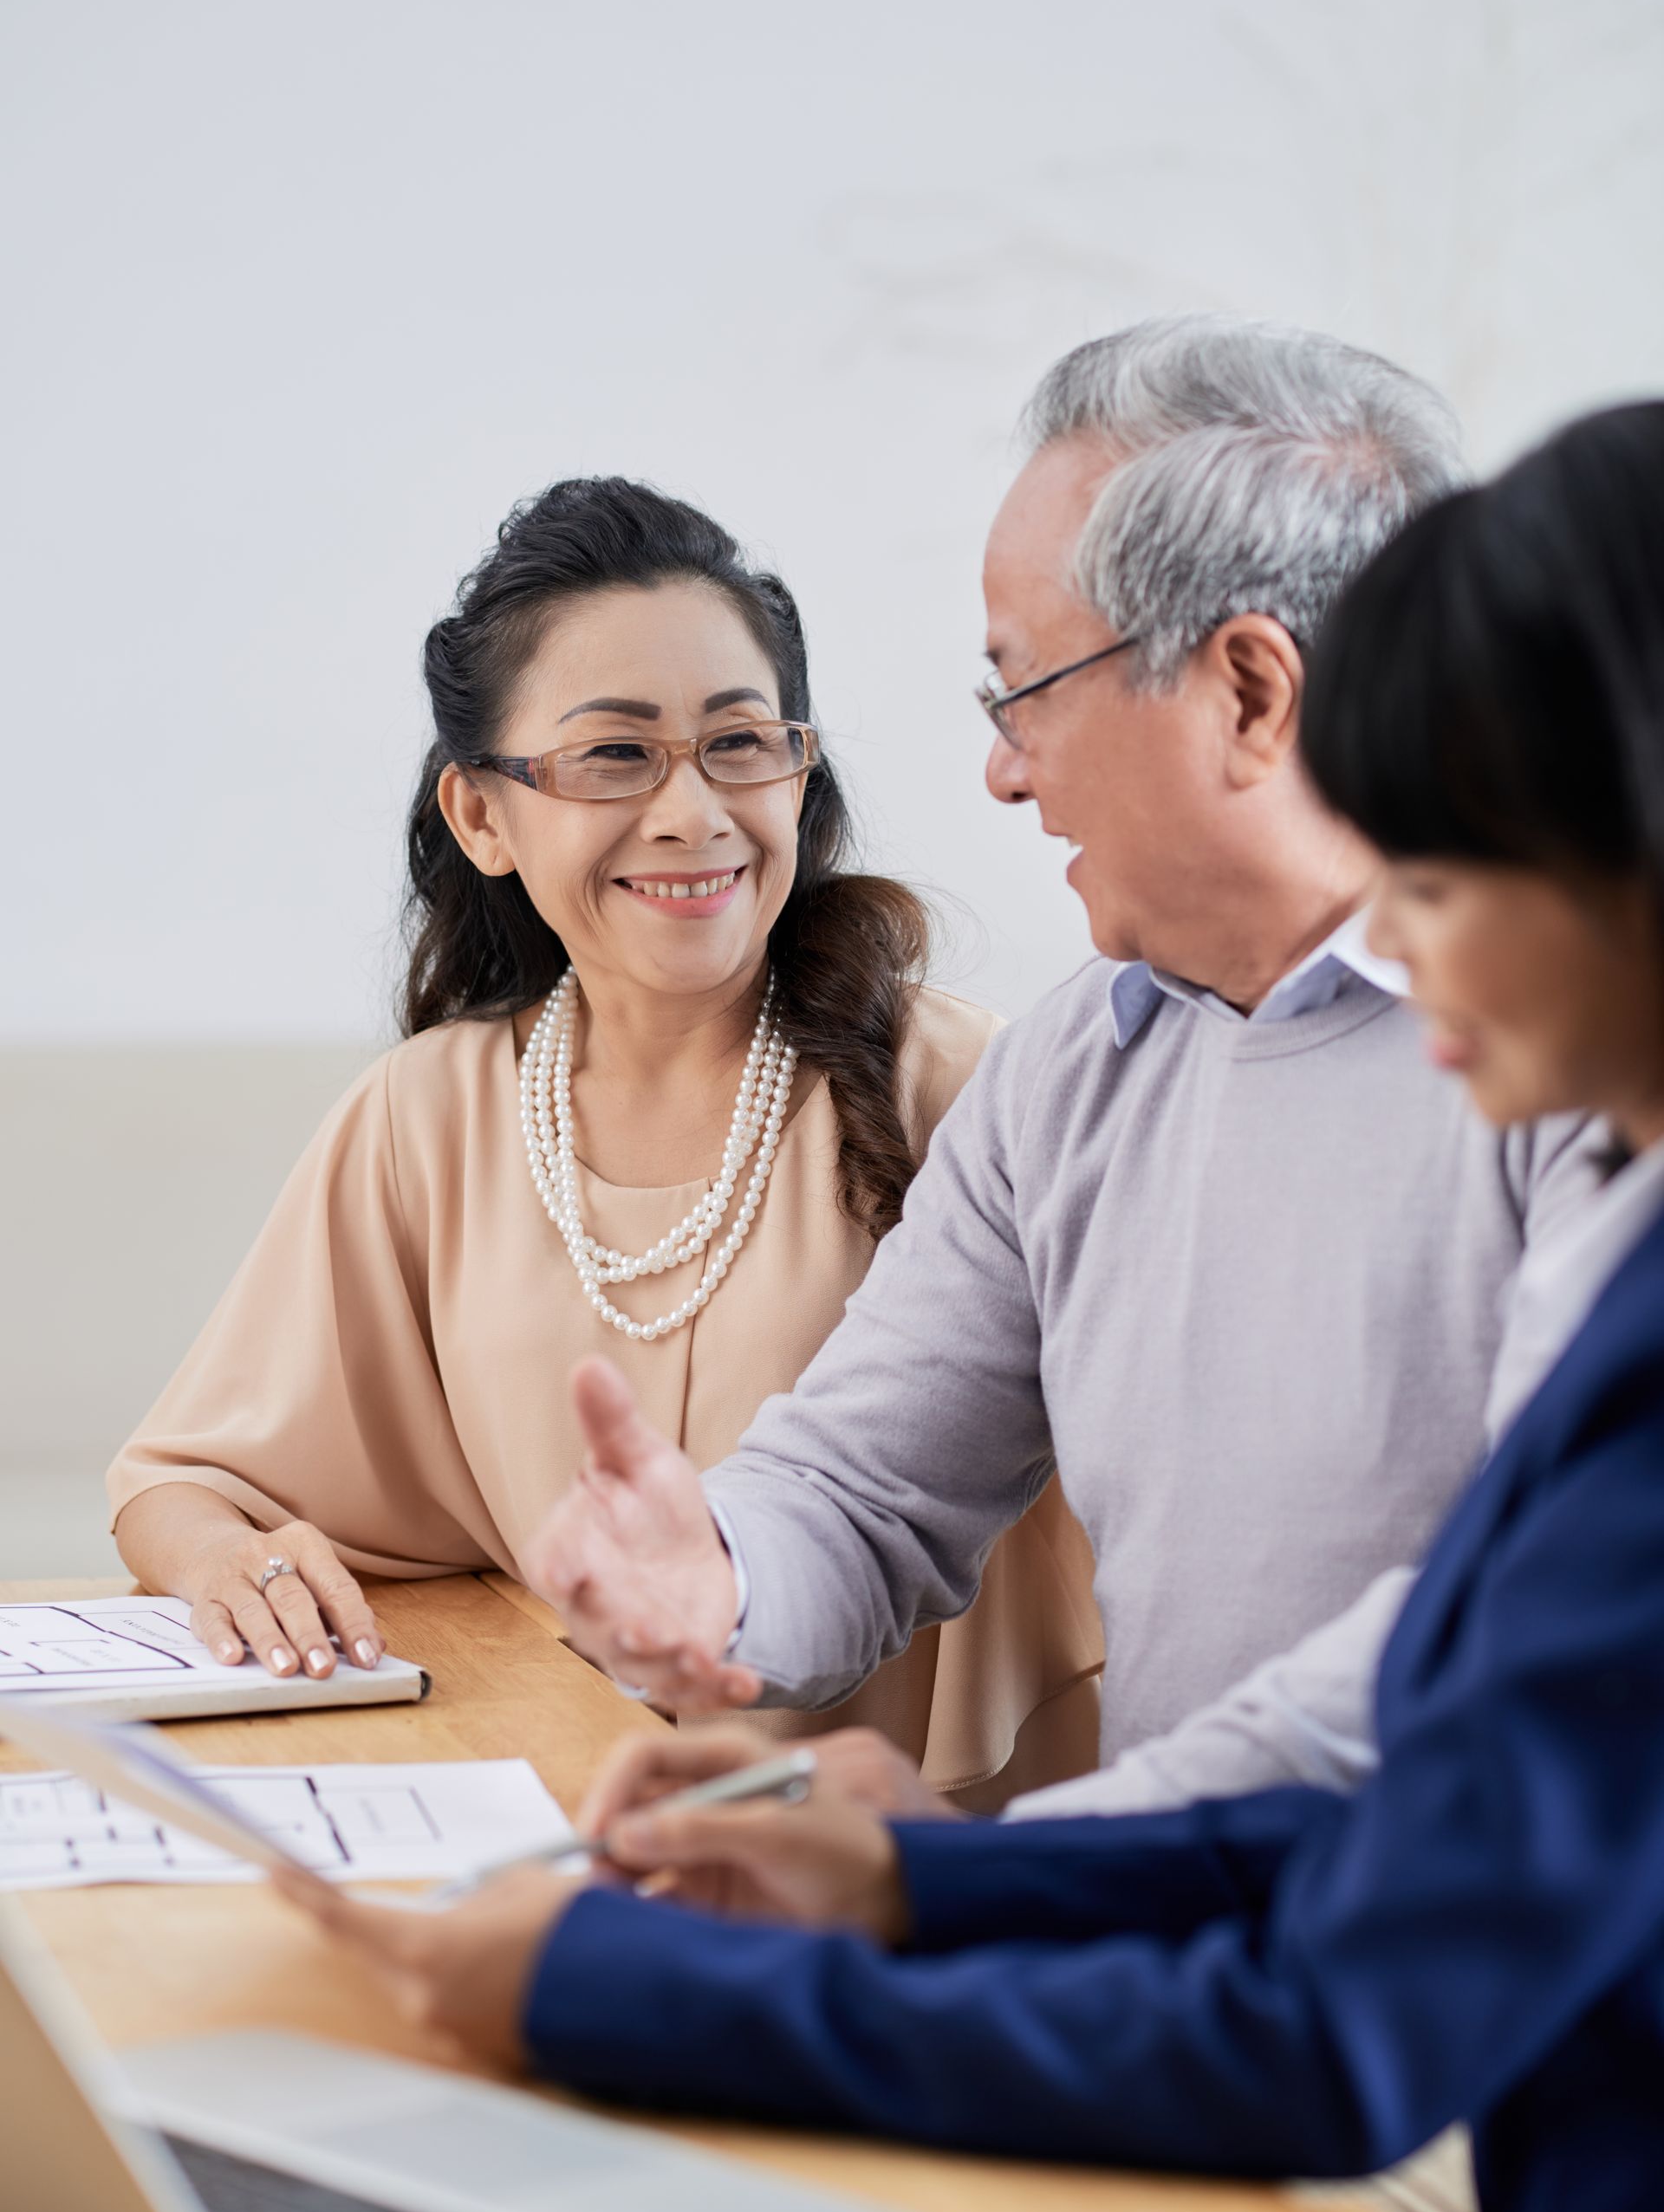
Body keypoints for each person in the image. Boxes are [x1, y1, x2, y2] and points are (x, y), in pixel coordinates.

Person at [288, 399, 1664, 2212]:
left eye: (1435, 876)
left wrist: (643, 1984)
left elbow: (1352, 1986)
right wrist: (918, 1878)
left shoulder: (1585, 1178)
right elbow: (1431, 1750)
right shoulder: (1105, 1070)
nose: (1408, 973)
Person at [517, 317, 1593, 1788]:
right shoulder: (1072, 1068)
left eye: (1024, 689)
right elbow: (865, 1481)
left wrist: (999, 1882)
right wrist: (711, 1571)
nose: (1002, 769)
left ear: (1251, 693)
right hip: (1157, 1950)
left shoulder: (1581, 1058)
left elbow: (1517, 1631)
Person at [107, 478, 1102, 1803]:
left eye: (742, 742)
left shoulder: (962, 1084)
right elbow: (179, 1481)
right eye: (617, 754)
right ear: (483, 816)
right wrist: (234, 1566)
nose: (693, 809)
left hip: (903, 1878)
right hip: (540, 1835)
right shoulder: (430, 1116)